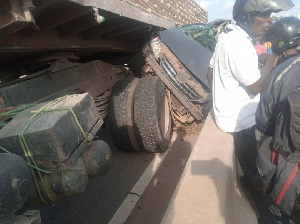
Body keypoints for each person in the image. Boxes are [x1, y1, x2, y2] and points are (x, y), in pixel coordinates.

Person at [207, 0, 295, 223]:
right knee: (259, 174)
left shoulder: (228, 37)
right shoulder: (238, 43)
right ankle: (267, 214)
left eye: (270, 16)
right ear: (247, 17)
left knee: (251, 168)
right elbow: (256, 86)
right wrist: (270, 61)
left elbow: (210, 73)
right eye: (263, 15)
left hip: (227, 115)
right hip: (241, 124)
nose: (269, 21)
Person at [256, 17, 300, 154]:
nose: (273, 43)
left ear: (283, 40)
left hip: (286, 148)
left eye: (275, 39)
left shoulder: (279, 74)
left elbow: (264, 122)